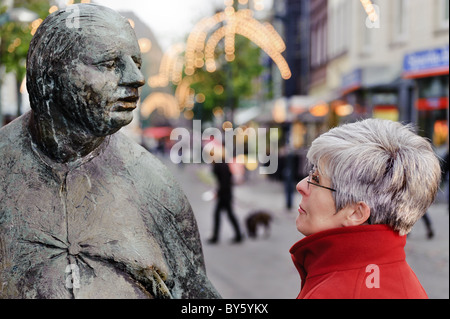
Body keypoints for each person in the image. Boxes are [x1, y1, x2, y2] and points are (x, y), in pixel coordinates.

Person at [0, 4, 219, 299]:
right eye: (110, 63)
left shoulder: (154, 185)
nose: (136, 77)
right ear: (51, 73)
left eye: (136, 61)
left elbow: (198, 297)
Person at [290, 119, 441, 299]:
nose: (301, 186)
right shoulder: (392, 275)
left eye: (316, 179)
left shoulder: (338, 291)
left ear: (356, 213)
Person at [208, 147, 243, 244]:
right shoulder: (222, 164)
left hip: (225, 194)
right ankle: (238, 235)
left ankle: (216, 237)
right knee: (228, 214)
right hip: (226, 193)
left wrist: (218, 193)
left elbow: (224, 181)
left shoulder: (220, 165)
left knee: (220, 214)